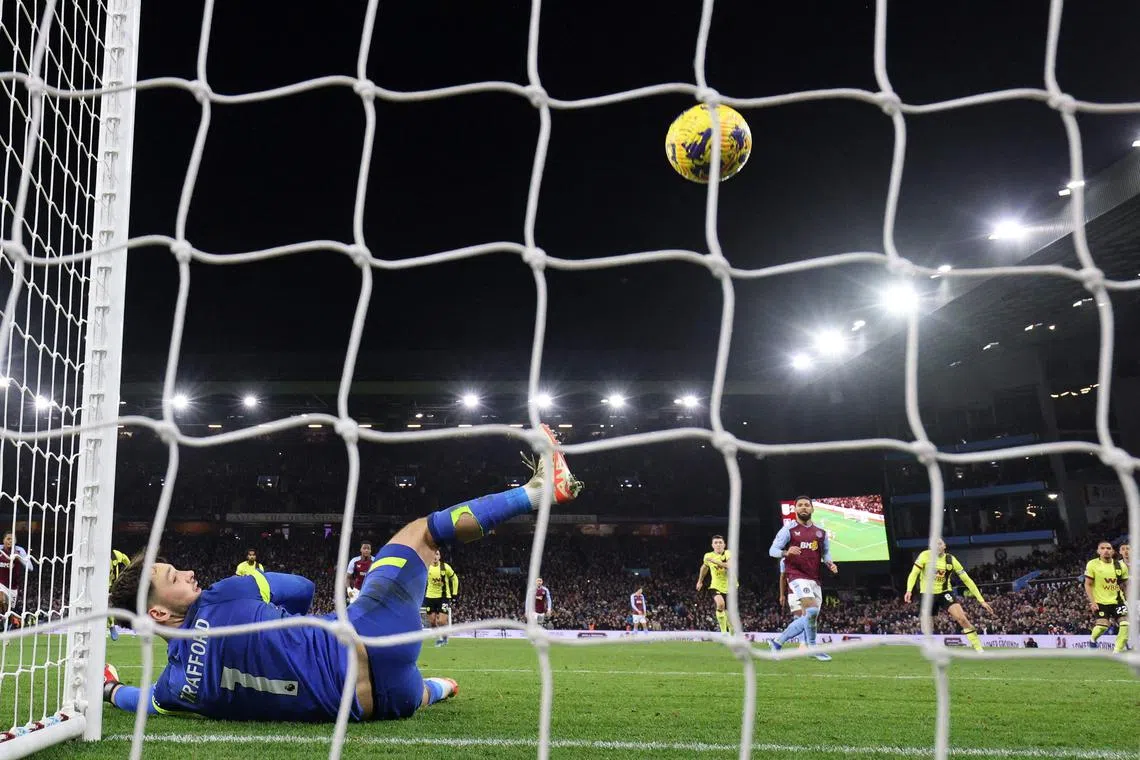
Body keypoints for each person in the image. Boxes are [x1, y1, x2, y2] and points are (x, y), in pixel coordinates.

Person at [102, 424, 582, 722]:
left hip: (382, 706)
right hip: (371, 639)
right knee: (421, 535)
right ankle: (538, 491)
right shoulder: (224, 595)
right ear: (160, 611)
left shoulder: (175, 688)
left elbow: (139, 701)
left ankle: (441, 687)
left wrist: (108, 688)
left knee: (417, 688)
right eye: (171, 575)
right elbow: (304, 590)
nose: (187, 572)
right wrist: (278, 620)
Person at [768, 497, 837, 660]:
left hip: (815, 578)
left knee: (810, 617)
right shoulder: (788, 530)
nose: (804, 508)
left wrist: (830, 563)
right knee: (811, 610)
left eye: (807, 505)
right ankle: (812, 648)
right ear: (795, 510)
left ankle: (777, 643)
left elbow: (826, 552)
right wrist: (786, 552)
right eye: (800, 505)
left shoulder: (821, 532)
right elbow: (772, 550)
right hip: (796, 575)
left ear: (812, 509)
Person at [903, 538, 993, 652]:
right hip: (927, 595)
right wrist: (909, 590)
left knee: (962, 619)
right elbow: (913, 573)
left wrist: (981, 601)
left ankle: (979, 648)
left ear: (944, 546)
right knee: (927, 627)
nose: (937, 545)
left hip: (945, 592)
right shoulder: (925, 556)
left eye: (939, 543)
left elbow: (967, 580)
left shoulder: (951, 560)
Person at [1084, 540, 1129, 654]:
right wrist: (1092, 602)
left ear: (1113, 551)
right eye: (1103, 548)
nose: (1106, 551)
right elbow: (1088, 584)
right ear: (1098, 551)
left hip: (1118, 601)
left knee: (1125, 624)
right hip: (1101, 602)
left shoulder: (1120, 565)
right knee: (1103, 627)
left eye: (1109, 548)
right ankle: (1092, 640)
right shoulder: (1092, 564)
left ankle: (1117, 651)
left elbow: (1125, 585)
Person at [695, 535, 733, 634]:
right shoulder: (708, 556)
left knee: (729, 615)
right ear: (712, 545)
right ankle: (724, 633)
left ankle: (731, 629)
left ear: (724, 544)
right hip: (715, 585)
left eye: (720, 542)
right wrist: (700, 581)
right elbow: (704, 567)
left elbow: (729, 566)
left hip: (730, 586)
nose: (718, 544)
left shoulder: (728, 553)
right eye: (716, 543)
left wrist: (715, 561)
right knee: (720, 605)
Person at [424, 550, 458, 647]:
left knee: (441, 621)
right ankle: (439, 639)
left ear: (440, 556)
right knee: (432, 622)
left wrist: (454, 593)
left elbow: (454, 578)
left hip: (443, 597)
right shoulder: (426, 567)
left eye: (437, 554)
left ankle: (445, 637)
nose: (435, 556)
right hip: (430, 597)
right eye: (433, 554)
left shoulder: (445, 567)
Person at [1, 531, 33, 631]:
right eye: (8, 539)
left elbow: (30, 568)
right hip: (1, 584)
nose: (10, 541)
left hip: (13, 587)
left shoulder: (19, 551)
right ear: (4, 540)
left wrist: (18, 557)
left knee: (8, 611)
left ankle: (9, 622)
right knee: (1, 598)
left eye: (12, 539)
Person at [777, 557, 803, 648]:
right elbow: (782, 577)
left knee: (803, 619)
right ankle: (804, 644)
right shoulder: (784, 560)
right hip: (794, 593)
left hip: (805, 592)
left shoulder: (806, 556)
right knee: (803, 618)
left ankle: (778, 641)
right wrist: (781, 595)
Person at [108, 548, 132, 641]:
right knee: (108, 607)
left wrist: (130, 568)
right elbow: (125, 558)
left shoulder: (116, 554)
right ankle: (112, 626)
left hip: (116, 584)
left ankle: (126, 621)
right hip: (107, 586)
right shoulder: (103, 561)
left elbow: (125, 558)